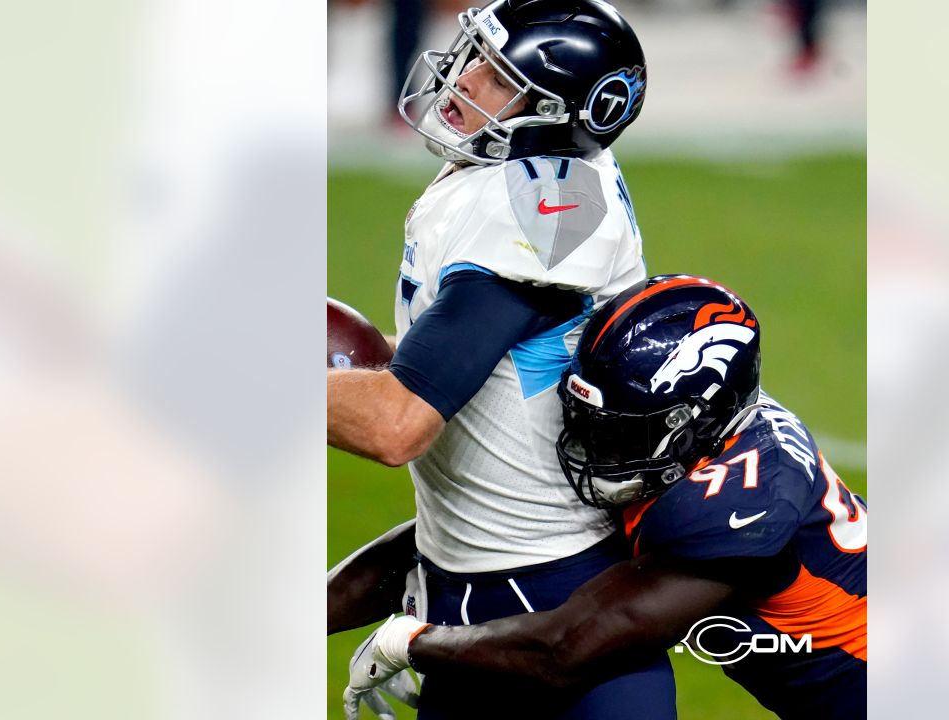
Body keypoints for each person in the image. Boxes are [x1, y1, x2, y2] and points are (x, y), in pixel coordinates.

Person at [326, 1, 671, 717]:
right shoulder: (500, 174)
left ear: (557, 117)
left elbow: (398, 425)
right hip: (472, 590)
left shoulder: (553, 205)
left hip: (554, 605)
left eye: (499, 74)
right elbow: (466, 366)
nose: (466, 77)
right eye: (474, 54)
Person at [345, 276, 868, 720]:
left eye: (621, 432)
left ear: (694, 422)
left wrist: (412, 643)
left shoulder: (738, 504)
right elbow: (465, 539)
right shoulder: (700, 437)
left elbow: (564, 650)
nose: (588, 443)